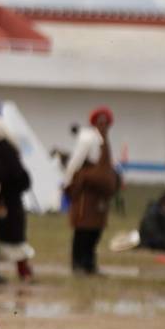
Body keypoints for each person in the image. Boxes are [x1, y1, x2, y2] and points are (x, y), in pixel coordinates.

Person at [63, 107, 122, 275]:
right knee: (83, 229)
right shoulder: (88, 139)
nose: (103, 125)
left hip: (99, 194)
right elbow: (75, 163)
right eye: (100, 122)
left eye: (106, 122)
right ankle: (78, 264)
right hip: (86, 193)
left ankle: (90, 264)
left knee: (96, 230)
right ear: (94, 123)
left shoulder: (105, 141)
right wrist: (69, 183)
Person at [0, 110, 34, 283]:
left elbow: (8, 175)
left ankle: (23, 271)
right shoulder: (8, 147)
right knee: (12, 238)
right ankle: (22, 271)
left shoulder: (3, 149)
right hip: (11, 200)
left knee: (14, 240)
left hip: (9, 202)